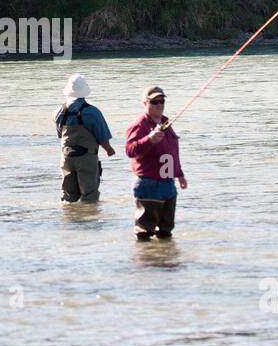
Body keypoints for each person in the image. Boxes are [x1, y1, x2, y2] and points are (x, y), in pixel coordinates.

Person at [125, 85, 187, 240]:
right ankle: (146, 262)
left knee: (165, 232)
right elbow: (130, 151)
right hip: (148, 183)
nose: (159, 105)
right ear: (145, 104)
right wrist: (149, 140)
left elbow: (172, 151)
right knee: (144, 232)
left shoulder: (166, 124)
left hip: (168, 184)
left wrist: (179, 174)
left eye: (162, 101)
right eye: (154, 102)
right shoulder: (139, 125)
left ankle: (164, 261)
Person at [55, 73, 115, 203]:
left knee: (68, 197)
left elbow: (60, 134)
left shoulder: (60, 111)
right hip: (86, 158)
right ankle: (88, 220)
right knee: (90, 196)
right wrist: (109, 149)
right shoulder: (92, 112)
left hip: (66, 158)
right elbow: (102, 136)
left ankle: (69, 221)